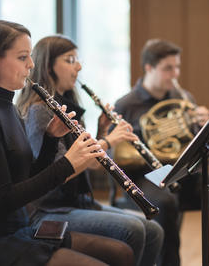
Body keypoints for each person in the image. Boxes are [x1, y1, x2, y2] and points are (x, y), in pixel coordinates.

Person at [0, 20, 136, 266]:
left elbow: (27, 178)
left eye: (31, 57)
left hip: (18, 228)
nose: (31, 65)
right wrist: (69, 163)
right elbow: (4, 200)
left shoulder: (10, 109)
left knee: (122, 253)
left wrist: (50, 139)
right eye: (23, 57)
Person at [16, 34, 164, 266]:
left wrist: (103, 132)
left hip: (79, 202)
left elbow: (94, 164)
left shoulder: (67, 105)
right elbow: (58, 174)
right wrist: (109, 142)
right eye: (70, 59)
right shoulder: (39, 111)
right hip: (52, 209)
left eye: (78, 58)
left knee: (153, 230)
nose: (79, 66)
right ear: (48, 66)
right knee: (134, 229)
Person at [113, 38, 209, 266]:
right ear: (149, 68)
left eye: (177, 67)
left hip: (182, 174)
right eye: (168, 68)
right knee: (166, 204)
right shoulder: (126, 105)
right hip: (144, 177)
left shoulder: (183, 99)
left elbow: (196, 147)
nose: (175, 74)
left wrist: (208, 126)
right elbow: (117, 154)